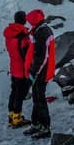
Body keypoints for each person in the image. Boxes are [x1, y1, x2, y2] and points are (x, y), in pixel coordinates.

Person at [25, 9, 56, 138]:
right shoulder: (41, 29)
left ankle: (45, 127)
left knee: (40, 98)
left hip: (41, 71)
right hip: (43, 70)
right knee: (37, 97)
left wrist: (34, 72)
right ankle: (36, 123)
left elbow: (42, 56)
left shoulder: (41, 32)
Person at [3, 11, 33, 129]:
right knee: (20, 94)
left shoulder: (9, 34)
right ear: (24, 20)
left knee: (14, 92)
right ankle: (17, 119)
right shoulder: (23, 35)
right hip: (22, 69)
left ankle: (11, 116)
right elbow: (27, 54)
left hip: (13, 67)